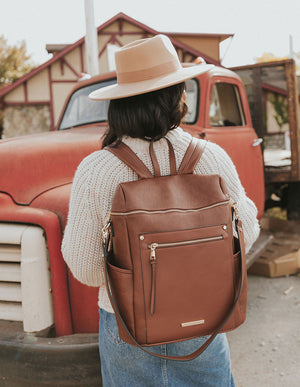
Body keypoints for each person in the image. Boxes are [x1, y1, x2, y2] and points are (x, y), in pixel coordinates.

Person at [62, 34, 260, 386]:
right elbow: (247, 231)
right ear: (178, 97)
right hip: (206, 317)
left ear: (119, 103)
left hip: (128, 326)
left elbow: (87, 270)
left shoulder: (96, 170)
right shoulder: (212, 157)